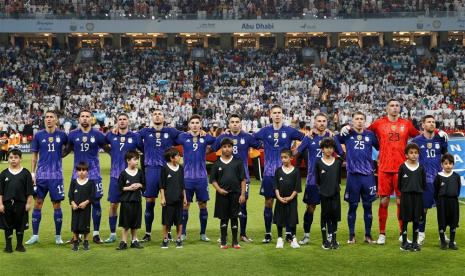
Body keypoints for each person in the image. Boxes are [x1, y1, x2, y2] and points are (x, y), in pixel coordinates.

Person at [342, 99, 420, 244]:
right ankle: (382, 234)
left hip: (402, 169)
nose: (395, 108)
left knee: (400, 201)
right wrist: (347, 128)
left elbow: (419, 136)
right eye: (392, 105)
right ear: (386, 108)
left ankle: (403, 233)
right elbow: (361, 132)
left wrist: (436, 131)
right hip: (384, 168)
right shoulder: (378, 124)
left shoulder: (406, 124)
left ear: (400, 108)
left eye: (397, 105)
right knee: (383, 201)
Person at [254, 105, 304, 243]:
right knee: (268, 202)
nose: (277, 115)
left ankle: (288, 233)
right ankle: (268, 233)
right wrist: (260, 146)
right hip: (269, 173)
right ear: (270, 115)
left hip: (286, 173)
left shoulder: (289, 131)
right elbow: (252, 139)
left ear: (283, 115)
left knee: (286, 202)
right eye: (274, 113)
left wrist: (296, 151)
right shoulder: (264, 131)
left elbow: (305, 138)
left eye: (279, 113)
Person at [211, 114, 261, 242]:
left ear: (240, 124)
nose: (234, 124)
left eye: (237, 121)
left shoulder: (247, 137)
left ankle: (242, 234)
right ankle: (224, 235)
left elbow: (260, 144)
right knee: (225, 206)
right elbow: (210, 148)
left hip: (243, 178)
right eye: (232, 122)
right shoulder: (222, 137)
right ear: (228, 124)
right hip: (225, 179)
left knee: (242, 205)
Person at [295, 113, 343, 245]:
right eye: (319, 121)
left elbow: (342, 153)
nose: (322, 123)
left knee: (330, 210)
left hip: (329, 182)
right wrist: (304, 138)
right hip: (312, 180)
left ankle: (329, 236)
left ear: (327, 123)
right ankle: (306, 235)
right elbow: (296, 153)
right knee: (310, 208)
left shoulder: (332, 137)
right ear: (314, 123)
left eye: (324, 121)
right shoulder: (309, 137)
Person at [137, 110, 181, 242]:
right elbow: (131, 137)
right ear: (151, 117)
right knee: (149, 202)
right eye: (155, 114)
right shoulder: (145, 132)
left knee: (169, 203)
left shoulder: (171, 131)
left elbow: (186, 136)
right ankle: (148, 233)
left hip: (167, 171)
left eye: (160, 114)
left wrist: (200, 132)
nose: (157, 116)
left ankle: (168, 232)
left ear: (164, 117)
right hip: (151, 170)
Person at [26, 110, 68, 245]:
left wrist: (61, 156)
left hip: (56, 176)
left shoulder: (62, 135)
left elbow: (69, 148)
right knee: (38, 203)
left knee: (57, 205)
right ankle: (35, 235)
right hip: (41, 176)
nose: (48, 119)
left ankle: (58, 237)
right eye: (47, 117)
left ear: (56, 120)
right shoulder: (38, 135)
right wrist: (33, 173)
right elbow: (34, 157)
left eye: (51, 117)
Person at [64, 110, 106, 243]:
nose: (85, 119)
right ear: (79, 119)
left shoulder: (98, 135)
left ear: (91, 119)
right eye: (82, 116)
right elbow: (65, 152)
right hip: (77, 175)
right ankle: (77, 234)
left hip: (94, 174)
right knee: (76, 203)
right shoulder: (72, 135)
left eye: (87, 116)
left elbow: (109, 149)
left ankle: (96, 233)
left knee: (96, 203)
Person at [337, 112, 379, 244]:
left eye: (362, 119)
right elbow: (335, 140)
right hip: (353, 176)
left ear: (365, 122)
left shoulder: (370, 135)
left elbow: (381, 147)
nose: (359, 121)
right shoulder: (347, 133)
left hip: (368, 176)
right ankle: (351, 235)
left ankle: (368, 235)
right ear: (352, 121)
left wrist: (377, 161)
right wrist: (342, 153)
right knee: (353, 206)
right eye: (357, 119)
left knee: (368, 206)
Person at [176, 114, 215, 241]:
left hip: (202, 178)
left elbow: (217, 142)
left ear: (200, 125)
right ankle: (183, 233)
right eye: (192, 122)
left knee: (202, 204)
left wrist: (209, 146)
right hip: (187, 178)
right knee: (185, 205)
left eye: (197, 122)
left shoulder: (205, 137)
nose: (195, 125)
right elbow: (171, 137)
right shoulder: (183, 137)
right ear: (189, 125)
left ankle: (203, 233)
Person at [104, 113, 140, 243]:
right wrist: (111, 152)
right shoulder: (111, 135)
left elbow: (143, 150)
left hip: (131, 176)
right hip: (115, 176)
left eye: (124, 119)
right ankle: (113, 233)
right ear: (117, 122)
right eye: (120, 119)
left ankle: (133, 236)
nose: (122, 121)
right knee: (113, 204)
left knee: (131, 206)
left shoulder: (135, 137)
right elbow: (102, 143)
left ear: (128, 121)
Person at [412, 115, 448, 244]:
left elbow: (446, 156)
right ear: (423, 125)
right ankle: (421, 234)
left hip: (438, 180)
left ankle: (442, 234)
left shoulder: (440, 139)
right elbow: (411, 159)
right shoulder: (416, 141)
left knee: (442, 208)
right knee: (423, 209)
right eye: (429, 122)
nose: (432, 124)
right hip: (424, 180)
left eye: (433, 122)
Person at [210, 138, 246, 249]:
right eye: (224, 147)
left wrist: (242, 194)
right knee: (223, 218)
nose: (227, 149)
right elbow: (213, 180)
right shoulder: (216, 163)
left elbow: (243, 179)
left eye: (229, 147)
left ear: (232, 148)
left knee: (235, 218)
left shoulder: (238, 162)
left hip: (235, 194)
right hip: (222, 195)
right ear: (221, 149)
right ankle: (223, 241)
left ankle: (235, 241)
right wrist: (219, 190)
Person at [0, 149, 33, 253]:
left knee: (20, 225)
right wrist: (0, 204)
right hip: (7, 204)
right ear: (8, 159)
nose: (13, 160)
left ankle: (19, 245)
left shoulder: (26, 173)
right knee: (7, 225)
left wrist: (28, 203)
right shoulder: (4, 174)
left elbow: (30, 191)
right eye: (11, 158)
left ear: (20, 159)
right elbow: (0, 192)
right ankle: (8, 246)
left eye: (16, 157)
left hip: (21, 204)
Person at [316, 138, 342, 250]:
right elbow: (317, 180)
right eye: (326, 147)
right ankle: (324, 240)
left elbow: (339, 179)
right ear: (322, 149)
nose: (329, 150)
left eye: (331, 147)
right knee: (325, 216)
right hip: (324, 194)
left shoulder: (337, 162)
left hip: (335, 193)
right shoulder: (318, 162)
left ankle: (334, 240)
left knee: (334, 217)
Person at [398, 143, 426, 252]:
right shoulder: (402, 167)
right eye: (411, 153)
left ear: (418, 155)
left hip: (418, 197)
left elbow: (424, 184)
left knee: (416, 220)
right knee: (405, 220)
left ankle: (415, 242)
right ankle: (404, 242)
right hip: (406, 197)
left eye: (416, 153)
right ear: (406, 155)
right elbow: (399, 184)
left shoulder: (421, 168)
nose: (414, 155)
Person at [116, 150, 145, 250]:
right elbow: (120, 188)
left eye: (138, 159)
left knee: (135, 223)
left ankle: (134, 241)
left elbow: (144, 185)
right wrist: (129, 188)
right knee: (125, 223)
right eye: (135, 159)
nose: (137, 161)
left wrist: (139, 185)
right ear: (128, 160)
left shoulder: (140, 172)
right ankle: (123, 242)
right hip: (126, 202)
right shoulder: (123, 174)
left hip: (137, 200)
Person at [273, 149, 301, 249]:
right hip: (280, 200)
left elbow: (297, 188)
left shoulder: (296, 171)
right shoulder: (278, 171)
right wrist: (279, 197)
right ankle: (280, 238)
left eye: (285, 157)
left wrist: (290, 197)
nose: (283, 160)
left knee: (292, 219)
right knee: (280, 219)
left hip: (292, 200)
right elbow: (275, 186)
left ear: (291, 158)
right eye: (282, 158)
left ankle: (293, 239)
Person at [159, 147, 187, 249]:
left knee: (179, 221)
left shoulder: (181, 168)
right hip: (168, 200)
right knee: (166, 222)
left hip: (179, 199)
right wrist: (162, 198)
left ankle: (178, 239)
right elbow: (162, 185)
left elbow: (183, 184)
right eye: (178, 156)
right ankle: (165, 239)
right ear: (171, 158)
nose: (180, 157)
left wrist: (185, 197)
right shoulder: (164, 169)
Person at [434, 153, 461, 250]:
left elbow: (457, 190)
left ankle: (452, 243)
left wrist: (453, 196)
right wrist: (438, 202)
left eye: (450, 163)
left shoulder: (456, 176)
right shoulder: (438, 176)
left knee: (453, 222)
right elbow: (436, 190)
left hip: (453, 203)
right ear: (442, 165)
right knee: (442, 222)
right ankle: (443, 242)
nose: (448, 165)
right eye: (445, 163)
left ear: (453, 164)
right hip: (442, 203)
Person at [68, 162, 95, 251]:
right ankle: (75, 242)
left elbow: (92, 196)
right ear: (76, 172)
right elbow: (70, 195)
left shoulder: (91, 183)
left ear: (87, 172)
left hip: (86, 209)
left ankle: (86, 242)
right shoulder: (73, 182)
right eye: (79, 170)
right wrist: (73, 203)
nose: (81, 172)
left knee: (86, 225)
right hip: (75, 209)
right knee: (75, 225)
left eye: (84, 170)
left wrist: (85, 203)